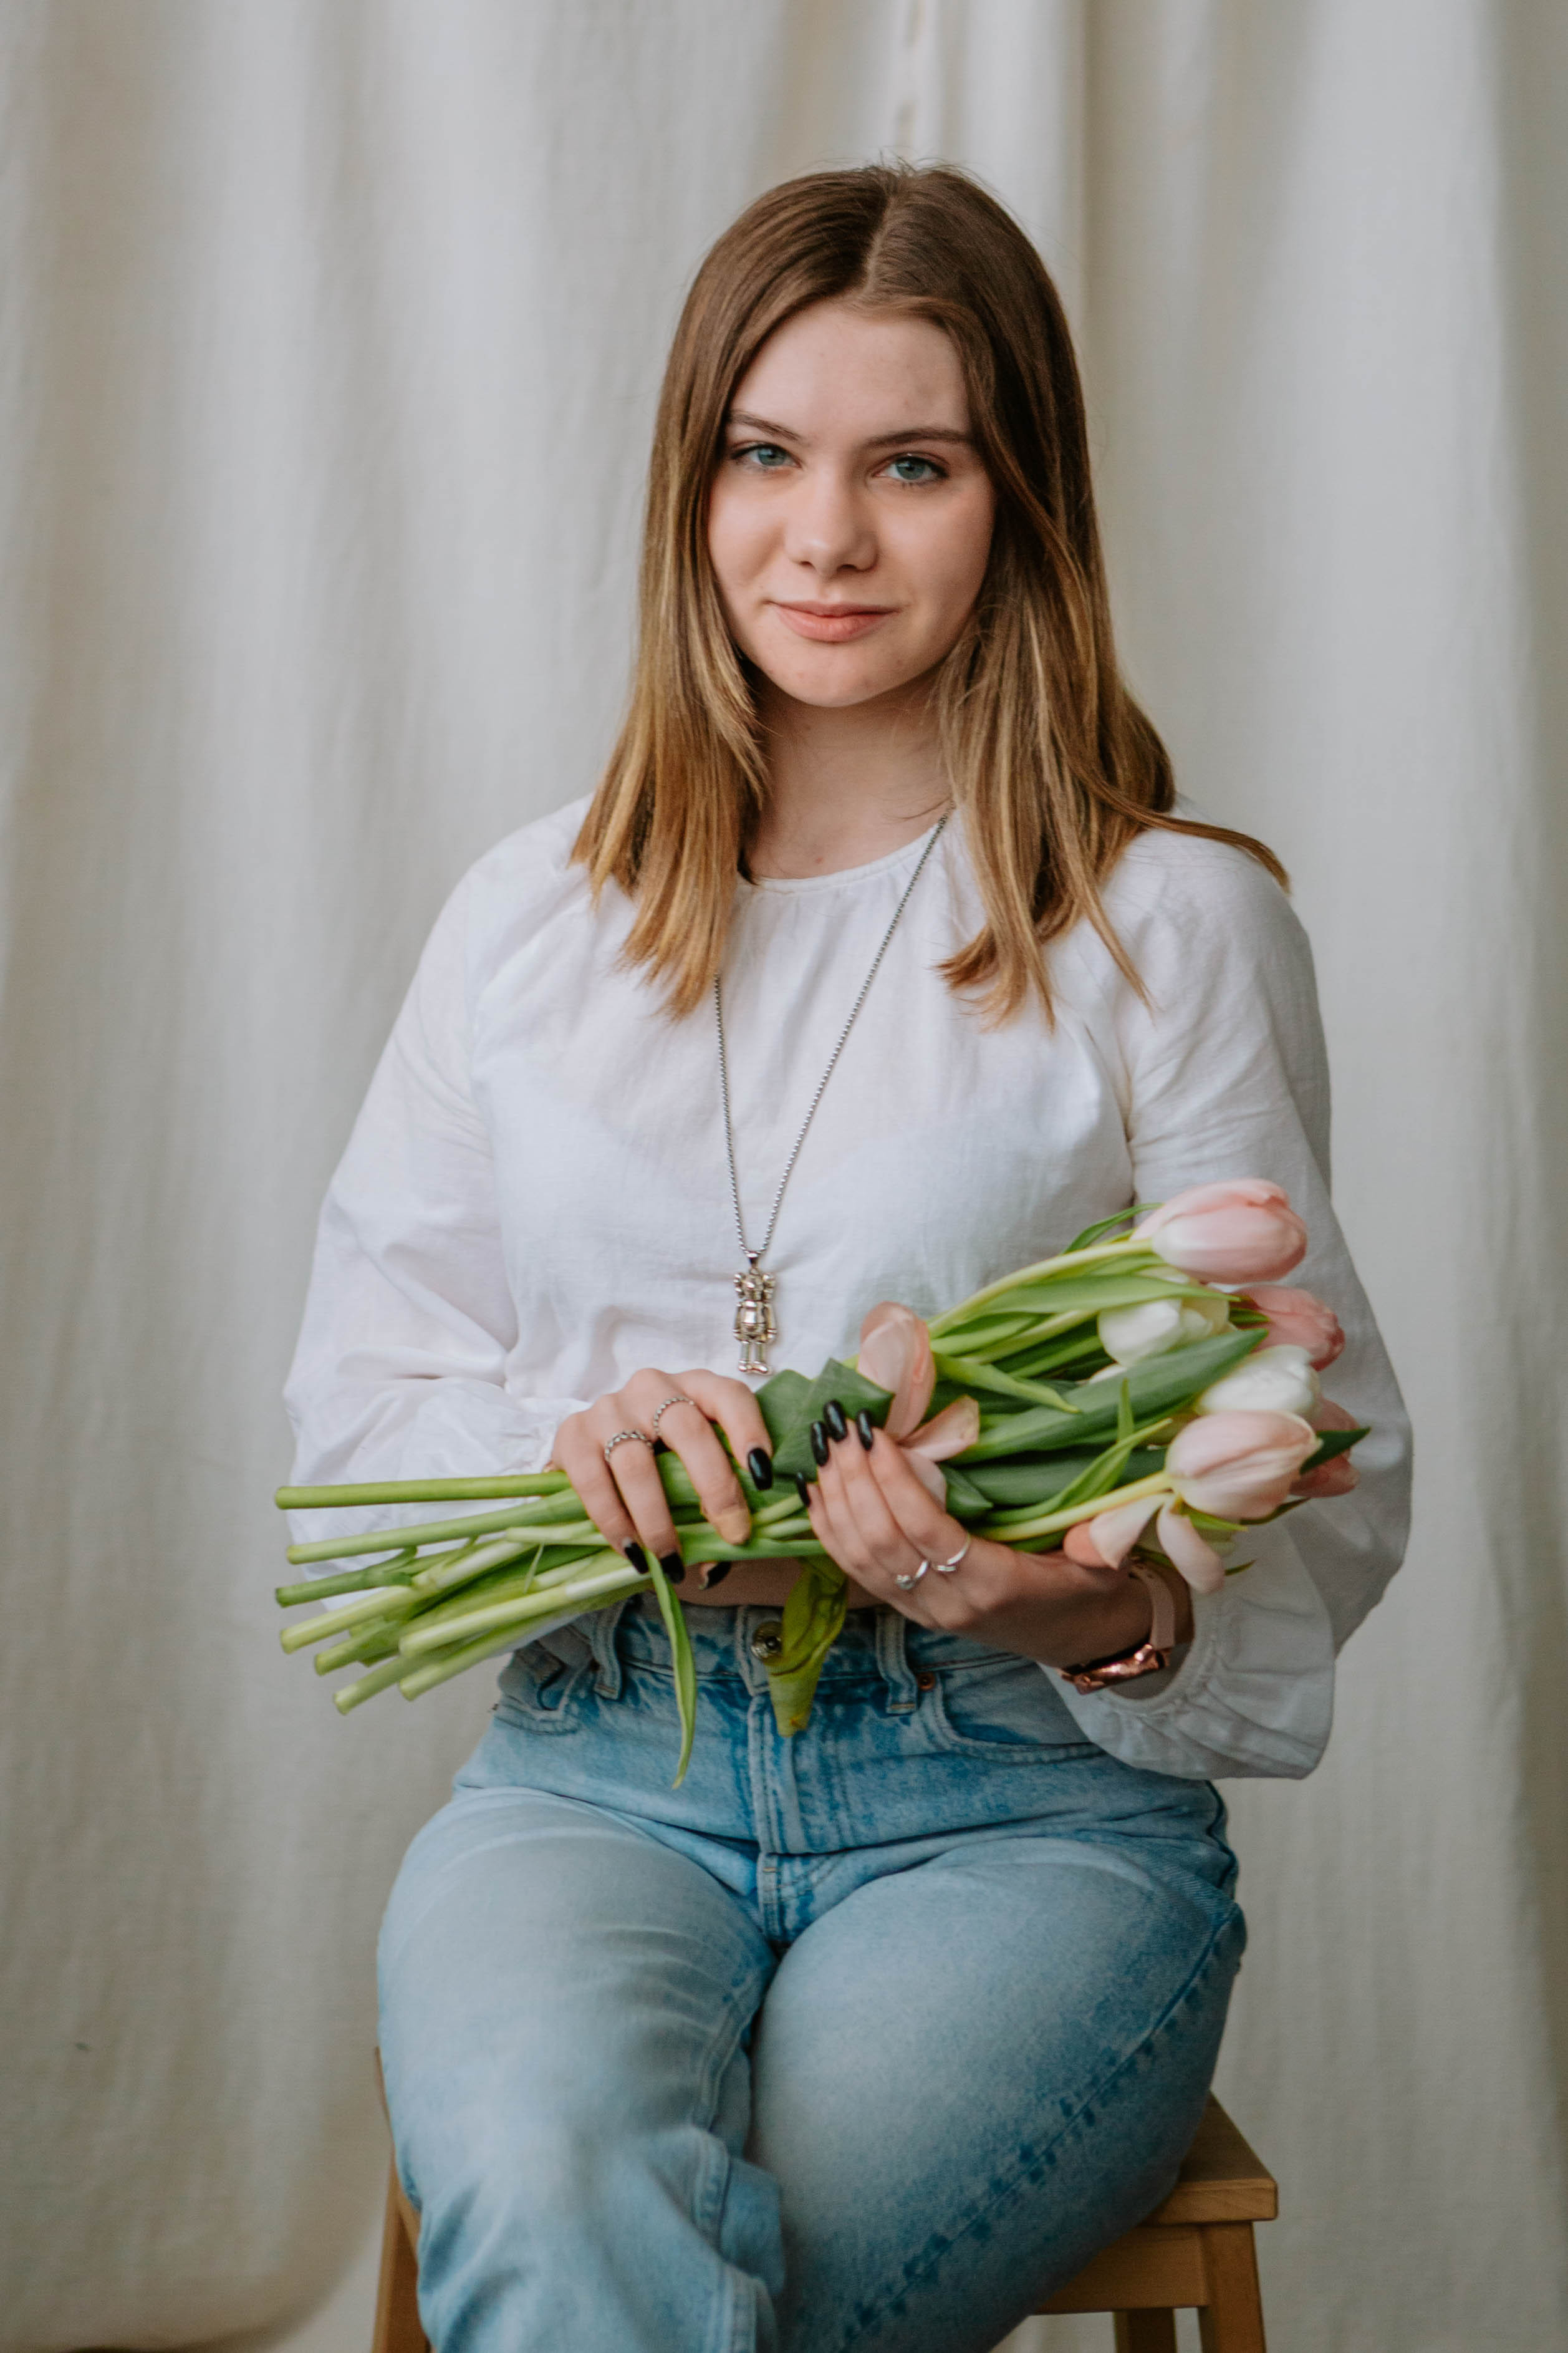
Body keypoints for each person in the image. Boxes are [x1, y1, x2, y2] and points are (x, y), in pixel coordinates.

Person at [285, 163, 1410, 2353]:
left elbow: (1315, 1450)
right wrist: (577, 1447)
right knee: (567, 2196)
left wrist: (1059, 1594)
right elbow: (360, 1393)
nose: (825, 538)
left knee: (682, 2298)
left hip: (1016, 1814)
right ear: (689, 485)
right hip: (595, 1776)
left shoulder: (1159, 921)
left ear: (1020, 505)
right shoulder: (533, 921)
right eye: (764, 455)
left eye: (913, 464)